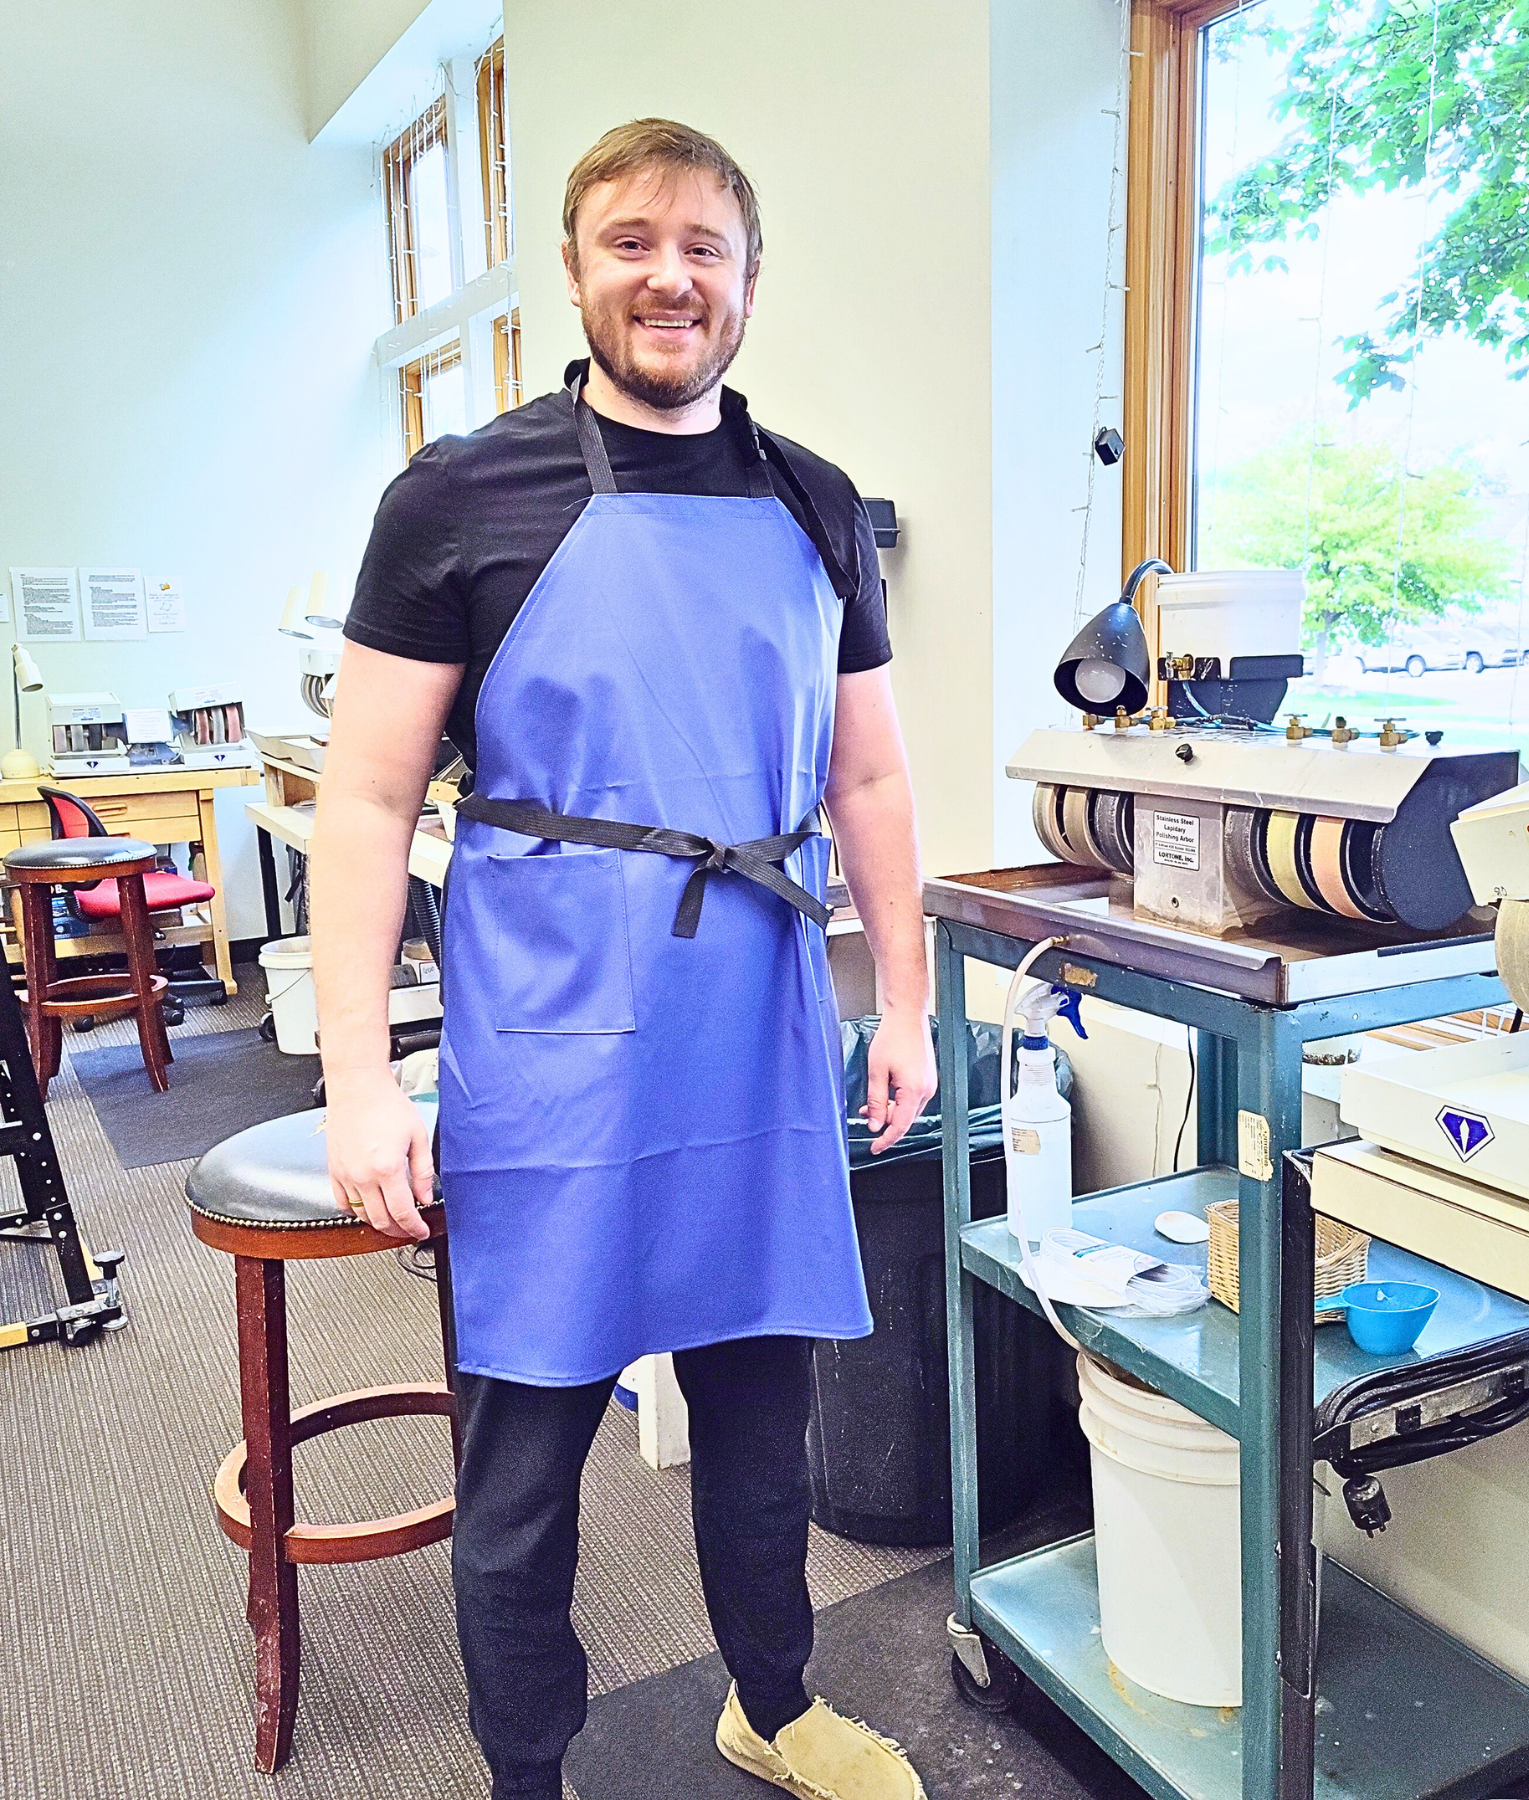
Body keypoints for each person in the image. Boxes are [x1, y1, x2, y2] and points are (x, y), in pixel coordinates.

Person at [310, 118, 937, 1800]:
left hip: (754, 1023)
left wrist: (907, 1004)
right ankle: (528, 1775)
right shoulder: (458, 498)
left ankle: (772, 1705)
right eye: (632, 244)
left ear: (749, 279)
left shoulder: (815, 501)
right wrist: (359, 1079)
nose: (670, 278)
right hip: (556, 1035)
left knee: (761, 1413)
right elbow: (365, 800)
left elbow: (872, 777)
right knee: (526, 1465)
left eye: (703, 247)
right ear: (577, 274)